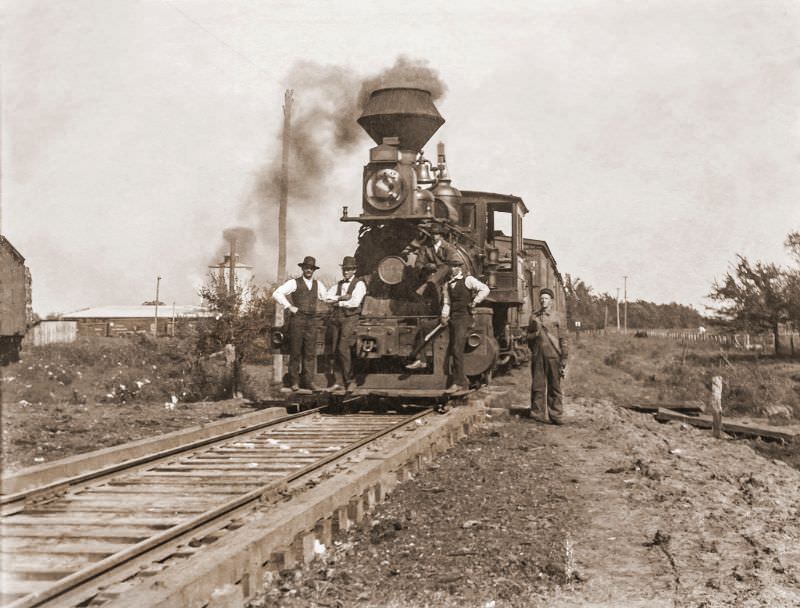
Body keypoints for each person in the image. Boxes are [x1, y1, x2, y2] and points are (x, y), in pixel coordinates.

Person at [407, 258, 490, 393]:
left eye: (455, 266)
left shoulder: (468, 280)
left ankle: (459, 383)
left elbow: (485, 289)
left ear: (460, 268)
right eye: (451, 267)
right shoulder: (447, 284)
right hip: (451, 317)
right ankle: (421, 360)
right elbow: (447, 303)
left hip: (463, 319)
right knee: (424, 328)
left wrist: (475, 301)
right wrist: (444, 316)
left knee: (457, 348)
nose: (452, 269)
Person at [272, 256, 328, 393]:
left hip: (312, 321)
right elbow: (277, 293)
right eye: (306, 267)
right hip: (297, 320)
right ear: (302, 268)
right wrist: (289, 306)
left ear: (313, 270)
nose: (308, 270)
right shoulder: (294, 283)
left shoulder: (318, 284)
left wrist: (341, 298)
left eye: (311, 268)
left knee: (310, 353)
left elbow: (326, 297)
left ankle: (308, 382)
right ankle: (294, 382)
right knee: (295, 352)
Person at [527, 288, 569, 424]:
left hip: (553, 355)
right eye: (541, 298)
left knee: (555, 387)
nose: (543, 301)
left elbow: (563, 339)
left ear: (551, 301)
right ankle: (537, 413)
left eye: (546, 298)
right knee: (538, 386)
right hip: (538, 355)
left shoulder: (557, 317)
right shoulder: (534, 316)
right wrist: (535, 337)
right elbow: (528, 337)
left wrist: (564, 358)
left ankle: (556, 415)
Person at [324, 256, 366, 392]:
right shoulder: (339, 285)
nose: (346, 272)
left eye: (348, 269)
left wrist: (338, 302)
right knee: (335, 349)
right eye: (344, 269)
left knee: (343, 347)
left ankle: (350, 380)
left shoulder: (359, 284)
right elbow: (326, 298)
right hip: (337, 318)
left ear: (354, 270)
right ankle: (338, 382)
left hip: (350, 317)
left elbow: (354, 302)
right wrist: (341, 297)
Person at [414, 225, 458, 296]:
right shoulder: (425, 247)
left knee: (446, 267)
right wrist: (426, 266)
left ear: (441, 236)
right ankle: (430, 284)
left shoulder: (448, 247)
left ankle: (427, 284)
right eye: (432, 234)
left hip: (446, 274)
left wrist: (437, 266)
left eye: (436, 234)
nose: (434, 236)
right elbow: (418, 263)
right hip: (429, 273)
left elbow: (454, 262)